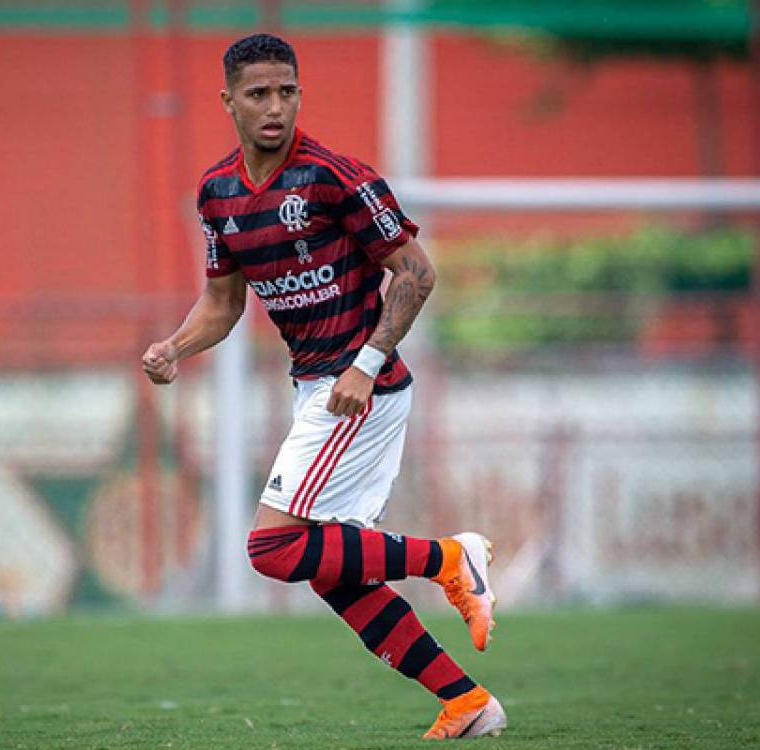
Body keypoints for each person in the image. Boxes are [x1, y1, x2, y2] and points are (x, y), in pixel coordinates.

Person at [141, 33, 506, 740]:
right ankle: (466, 703)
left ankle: (450, 558)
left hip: (361, 389)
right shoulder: (218, 194)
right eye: (258, 94)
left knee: (271, 550)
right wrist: (173, 348)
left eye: (287, 91)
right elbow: (222, 306)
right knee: (335, 574)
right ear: (230, 103)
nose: (274, 106)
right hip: (317, 386)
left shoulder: (337, 176)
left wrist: (364, 365)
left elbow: (418, 274)